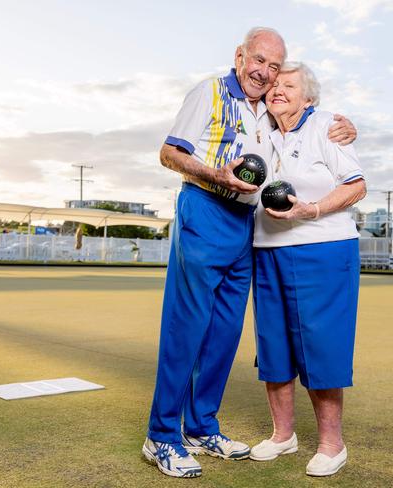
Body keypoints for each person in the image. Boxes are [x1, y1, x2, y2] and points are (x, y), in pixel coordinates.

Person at [142, 27, 357, 478]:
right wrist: (216, 174)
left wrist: (346, 126)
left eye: (274, 67)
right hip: (205, 207)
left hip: (246, 224)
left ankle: (200, 426)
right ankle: (161, 435)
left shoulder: (268, 107)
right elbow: (168, 152)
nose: (264, 73)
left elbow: (312, 124)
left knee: (224, 331)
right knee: (188, 326)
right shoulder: (210, 92)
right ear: (239, 56)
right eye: (258, 61)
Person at [248, 62, 366, 477]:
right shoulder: (257, 126)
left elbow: (355, 185)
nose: (278, 88)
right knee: (274, 344)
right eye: (274, 84)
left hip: (323, 247)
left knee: (321, 345)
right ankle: (283, 435)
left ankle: (332, 445)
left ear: (308, 98)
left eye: (289, 85)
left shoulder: (328, 125)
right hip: (266, 248)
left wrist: (311, 209)